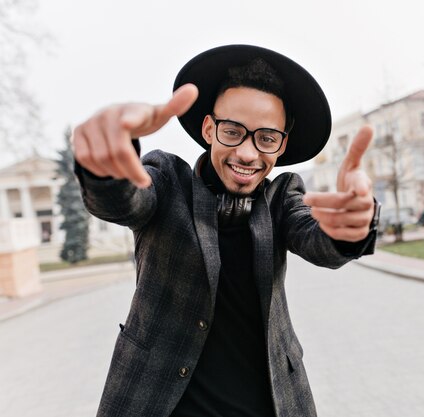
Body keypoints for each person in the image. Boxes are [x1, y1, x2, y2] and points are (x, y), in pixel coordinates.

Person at [72, 44, 380, 417]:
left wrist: (352, 227)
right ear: (209, 129)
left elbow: (318, 238)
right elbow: (125, 200)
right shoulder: (168, 182)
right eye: (233, 131)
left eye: (266, 138)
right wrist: (105, 169)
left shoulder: (283, 199)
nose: (248, 154)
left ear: (281, 146)